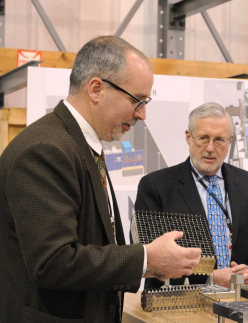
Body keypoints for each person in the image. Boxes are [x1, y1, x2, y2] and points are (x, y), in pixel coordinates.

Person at [0, 36, 201, 323]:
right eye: (137, 100)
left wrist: (147, 266)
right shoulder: (46, 150)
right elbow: (53, 262)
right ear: (96, 89)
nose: (142, 114)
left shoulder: (78, 146)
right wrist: (146, 258)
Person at [135, 102, 248, 288]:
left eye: (219, 140)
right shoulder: (156, 187)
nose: (210, 148)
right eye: (203, 138)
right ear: (188, 137)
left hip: (239, 300)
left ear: (230, 141)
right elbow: (150, 261)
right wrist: (209, 279)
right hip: (178, 307)